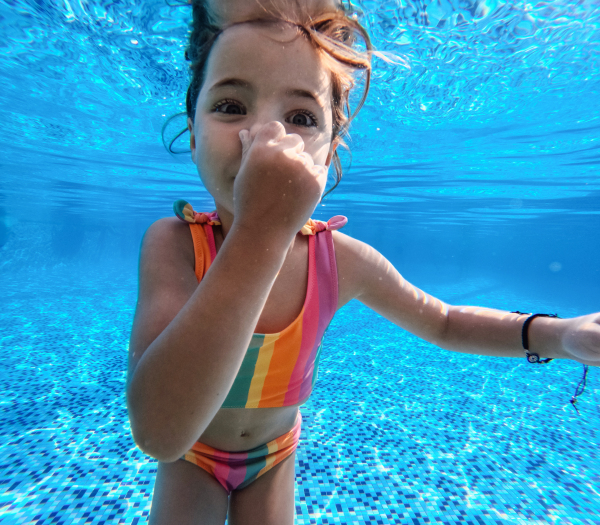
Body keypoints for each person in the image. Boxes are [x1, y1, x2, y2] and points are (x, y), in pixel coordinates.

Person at [126, 4, 600, 525]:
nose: (263, 135)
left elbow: (443, 321)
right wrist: (261, 230)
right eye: (231, 105)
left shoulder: (339, 261)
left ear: (328, 154)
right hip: (192, 456)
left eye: (301, 118)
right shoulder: (174, 244)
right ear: (192, 131)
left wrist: (557, 335)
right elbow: (162, 434)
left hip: (274, 456)